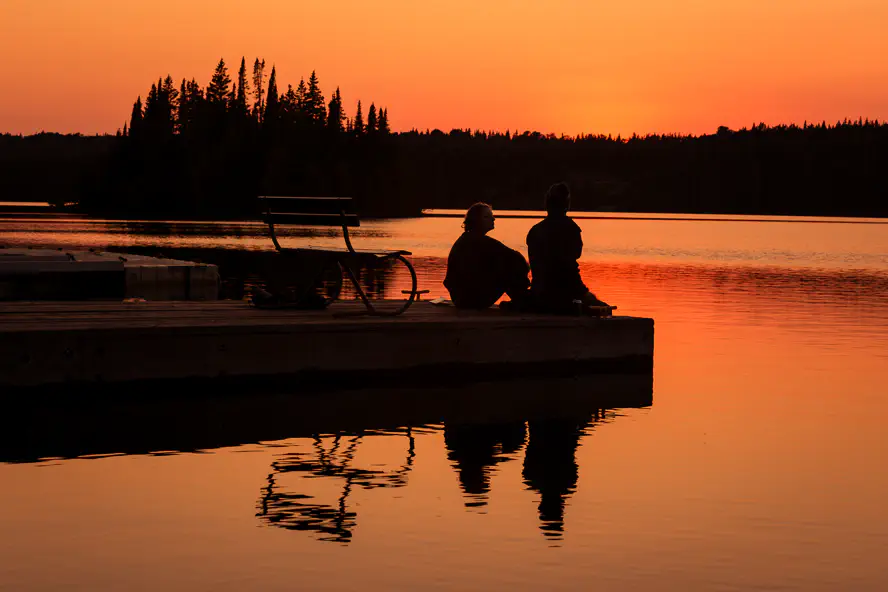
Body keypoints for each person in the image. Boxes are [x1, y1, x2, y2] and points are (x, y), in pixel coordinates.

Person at [526, 182, 610, 313]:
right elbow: (569, 272)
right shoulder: (571, 229)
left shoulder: (534, 231)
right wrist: (584, 294)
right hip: (564, 296)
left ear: (547, 204)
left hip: (539, 293)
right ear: (567, 204)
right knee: (603, 308)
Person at [444, 203, 530, 309]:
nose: (493, 219)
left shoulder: (468, 239)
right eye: (487, 216)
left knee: (504, 262)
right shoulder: (479, 241)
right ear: (476, 221)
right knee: (509, 266)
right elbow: (517, 259)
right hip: (469, 300)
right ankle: (521, 301)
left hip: (460, 299)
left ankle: (520, 299)